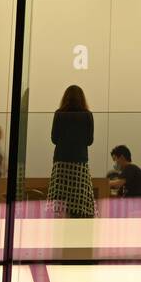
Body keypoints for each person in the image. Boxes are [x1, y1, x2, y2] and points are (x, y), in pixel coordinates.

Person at [47, 85, 95, 218]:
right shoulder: (87, 115)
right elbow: (89, 141)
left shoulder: (59, 114)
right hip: (79, 162)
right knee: (79, 201)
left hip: (61, 162)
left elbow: (54, 139)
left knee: (60, 201)